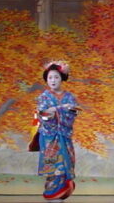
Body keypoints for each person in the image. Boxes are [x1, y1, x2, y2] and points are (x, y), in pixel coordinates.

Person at [33, 61, 79, 202]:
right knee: (53, 169)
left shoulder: (70, 97)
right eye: (50, 77)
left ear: (62, 78)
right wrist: (59, 109)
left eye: (56, 77)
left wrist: (57, 110)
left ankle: (60, 197)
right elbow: (43, 116)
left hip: (64, 137)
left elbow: (71, 116)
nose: (53, 80)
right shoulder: (43, 97)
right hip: (49, 138)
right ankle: (52, 196)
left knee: (64, 169)